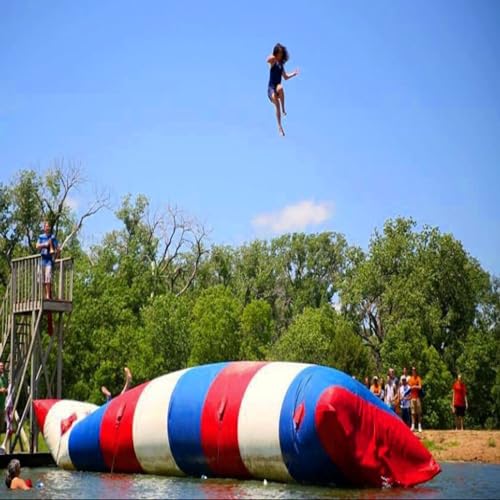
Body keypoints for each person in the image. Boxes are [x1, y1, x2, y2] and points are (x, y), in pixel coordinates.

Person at [266, 43, 299, 136]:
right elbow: (267, 60)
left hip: (277, 87)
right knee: (276, 103)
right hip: (271, 89)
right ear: (276, 53)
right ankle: (280, 127)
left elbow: (285, 77)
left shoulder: (281, 65)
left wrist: (293, 74)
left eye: (281, 53)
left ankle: (283, 108)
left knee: (280, 87)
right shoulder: (273, 61)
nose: (280, 55)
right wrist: (273, 56)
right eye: (279, 53)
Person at [36, 221, 59, 299]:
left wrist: (55, 257)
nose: (47, 228)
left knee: (48, 278)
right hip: (41, 260)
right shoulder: (41, 237)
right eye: (46, 226)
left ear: (50, 228)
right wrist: (45, 244)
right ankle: (42, 295)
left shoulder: (52, 237)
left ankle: (48, 295)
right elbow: (37, 246)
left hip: (48, 260)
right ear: (44, 228)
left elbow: (57, 249)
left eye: (48, 226)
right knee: (41, 279)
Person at [408, 366, 423, 432]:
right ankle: (413, 426)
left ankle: (419, 426)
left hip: (417, 398)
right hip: (412, 398)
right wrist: (414, 387)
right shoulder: (410, 379)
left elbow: (420, 387)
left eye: (414, 370)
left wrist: (414, 386)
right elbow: (410, 387)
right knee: (413, 413)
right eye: (412, 370)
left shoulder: (418, 378)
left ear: (416, 371)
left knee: (419, 413)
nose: (413, 371)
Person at [0, 363, 7, 434]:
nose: (2, 367)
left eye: (2, 366)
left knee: (1, 429)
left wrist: (7, 390)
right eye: (0, 366)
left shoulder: (3, 378)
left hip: (2, 407)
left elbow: (5, 388)